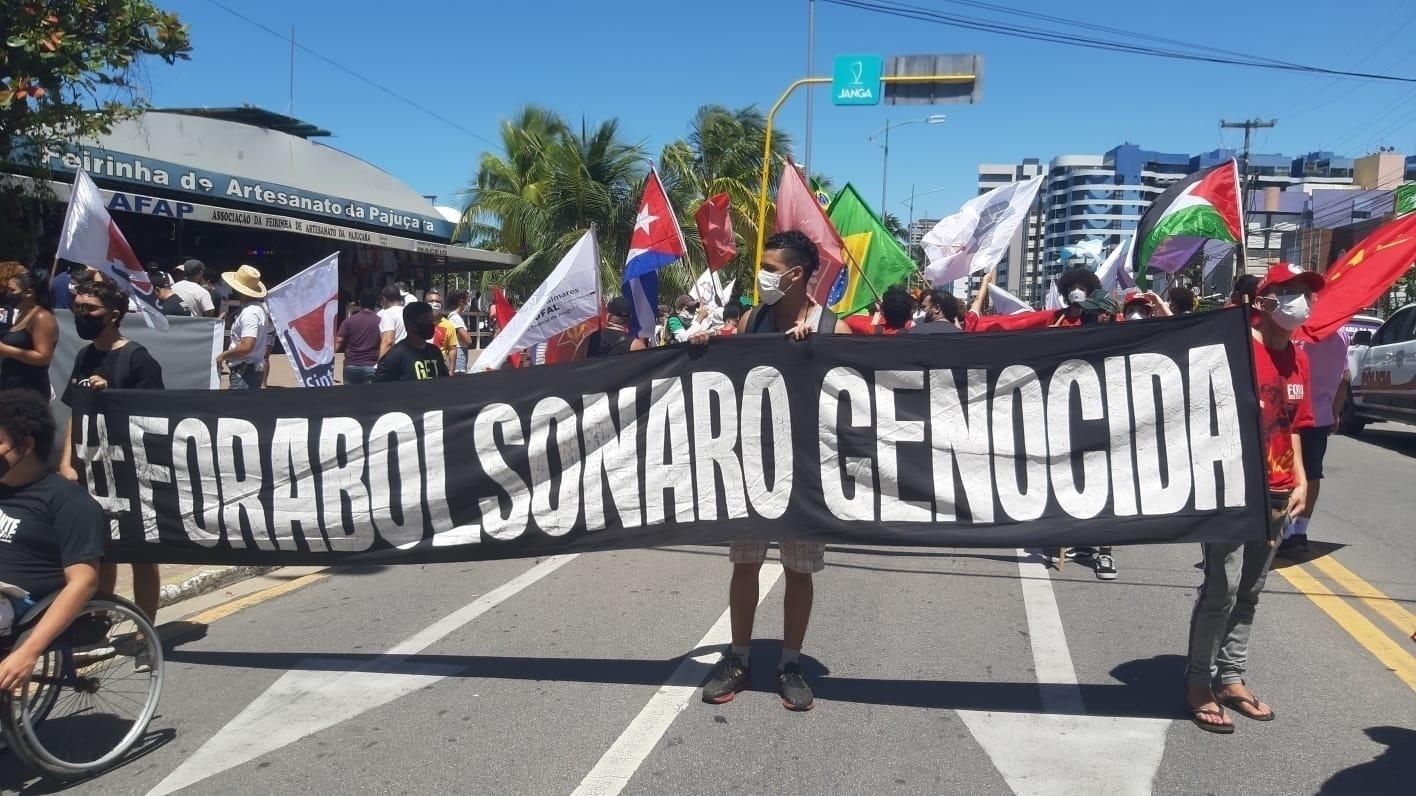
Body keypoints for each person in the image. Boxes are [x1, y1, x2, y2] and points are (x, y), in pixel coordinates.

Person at [696, 230, 850, 712]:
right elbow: (729, 375)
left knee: (798, 570)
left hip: (804, 472)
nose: (762, 276)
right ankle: (739, 658)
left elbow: (852, 398)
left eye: (769, 267)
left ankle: (789, 663)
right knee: (744, 563)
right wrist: (704, 346)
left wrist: (815, 351)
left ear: (796, 274)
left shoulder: (833, 328)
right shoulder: (751, 320)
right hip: (752, 465)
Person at [1185, 262, 1321, 734]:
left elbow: (1295, 426)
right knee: (1218, 590)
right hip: (1231, 490)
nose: (1300, 300)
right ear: (1264, 301)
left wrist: (1302, 479)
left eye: (1306, 291)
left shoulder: (1299, 358)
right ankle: (1199, 684)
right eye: (1291, 290)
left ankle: (1232, 678)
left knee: (1251, 591)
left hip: (1280, 492)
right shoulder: (1235, 348)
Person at [57, 280, 164, 628]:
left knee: (139, 553)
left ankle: (145, 631)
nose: (82, 314)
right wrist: (65, 460)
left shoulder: (138, 358)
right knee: (100, 550)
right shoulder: (86, 356)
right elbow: (75, 410)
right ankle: (98, 622)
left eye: (90, 309)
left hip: (131, 469)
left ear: (114, 316)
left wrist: (112, 391)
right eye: (78, 308)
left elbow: (155, 416)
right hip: (92, 467)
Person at [0, 390, 106, 691]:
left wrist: (29, 651)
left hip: (24, 602)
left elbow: (83, 582)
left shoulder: (68, 502)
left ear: (26, 445)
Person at [1284, 327, 1351, 555]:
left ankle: (1285, 530)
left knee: (1286, 471)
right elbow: (1344, 378)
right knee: (1312, 473)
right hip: (1321, 415)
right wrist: (1335, 411)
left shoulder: (1302, 334)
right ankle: (1299, 532)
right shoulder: (1343, 336)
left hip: (1293, 413)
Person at [0, 265, 58, 400]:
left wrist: (5, 349)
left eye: (12, 290)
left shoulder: (42, 317)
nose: (8, 294)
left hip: (29, 392)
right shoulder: (22, 315)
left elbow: (44, 356)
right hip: (10, 389)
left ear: (28, 293)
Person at [215, 265, 273, 391]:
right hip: (248, 370)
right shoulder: (255, 309)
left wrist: (223, 355)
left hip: (244, 372)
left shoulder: (250, 313)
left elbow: (247, 345)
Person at [374, 301, 449, 382]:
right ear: (411, 325)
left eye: (432, 321)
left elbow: (444, 382)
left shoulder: (435, 352)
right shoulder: (394, 357)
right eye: (426, 321)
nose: (431, 325)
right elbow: (380, 389)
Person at [336, 290, 382, 385]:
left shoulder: (349, 321)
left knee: (350, 398)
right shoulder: (380, 321)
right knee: (370, 398)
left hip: (351, 366)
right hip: (371, 365)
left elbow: (339, 341)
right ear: (375, 303)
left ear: (360, 302)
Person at [845, 284, 914, 335]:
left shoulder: (865, 328)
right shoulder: (914, 329)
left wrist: (878, 312)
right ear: (910, 312)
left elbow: (841, 320)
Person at [424, 290, 459, 373]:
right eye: (431, 301)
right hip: (422, 366)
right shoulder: (419, 322)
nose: (434, 304)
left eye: (437, 301)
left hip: (440, 368)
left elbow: (452, 349)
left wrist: (451, 371)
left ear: (442, 305)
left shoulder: (448, 325)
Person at [445, 290, 474, 373]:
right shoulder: (455, 318)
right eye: (467, 300)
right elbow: (468, 340)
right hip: (459, 353)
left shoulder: (454, 317)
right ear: (461, 301)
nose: (468, 303)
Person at [377, 286, 407, 359]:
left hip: (394, 358)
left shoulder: (388, 313)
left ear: (384, 299)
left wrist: (381, 365)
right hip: (407, 357)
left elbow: (388, 341)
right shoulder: (407, 312)